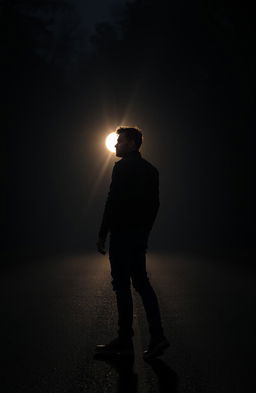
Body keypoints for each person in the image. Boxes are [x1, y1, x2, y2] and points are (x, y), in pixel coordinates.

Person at [95, 127, 169, 360]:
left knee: (121, 285)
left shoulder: (122, 167)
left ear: (133, 144)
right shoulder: (151, 171)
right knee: (141, 283)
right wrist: (144, 231)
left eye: (120, 141)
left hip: (121, 234)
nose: (116, 145)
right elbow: (154, 206)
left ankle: (125, 339)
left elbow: (112, 201)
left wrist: (102, 233)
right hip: (137, 236)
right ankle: (157, 336)